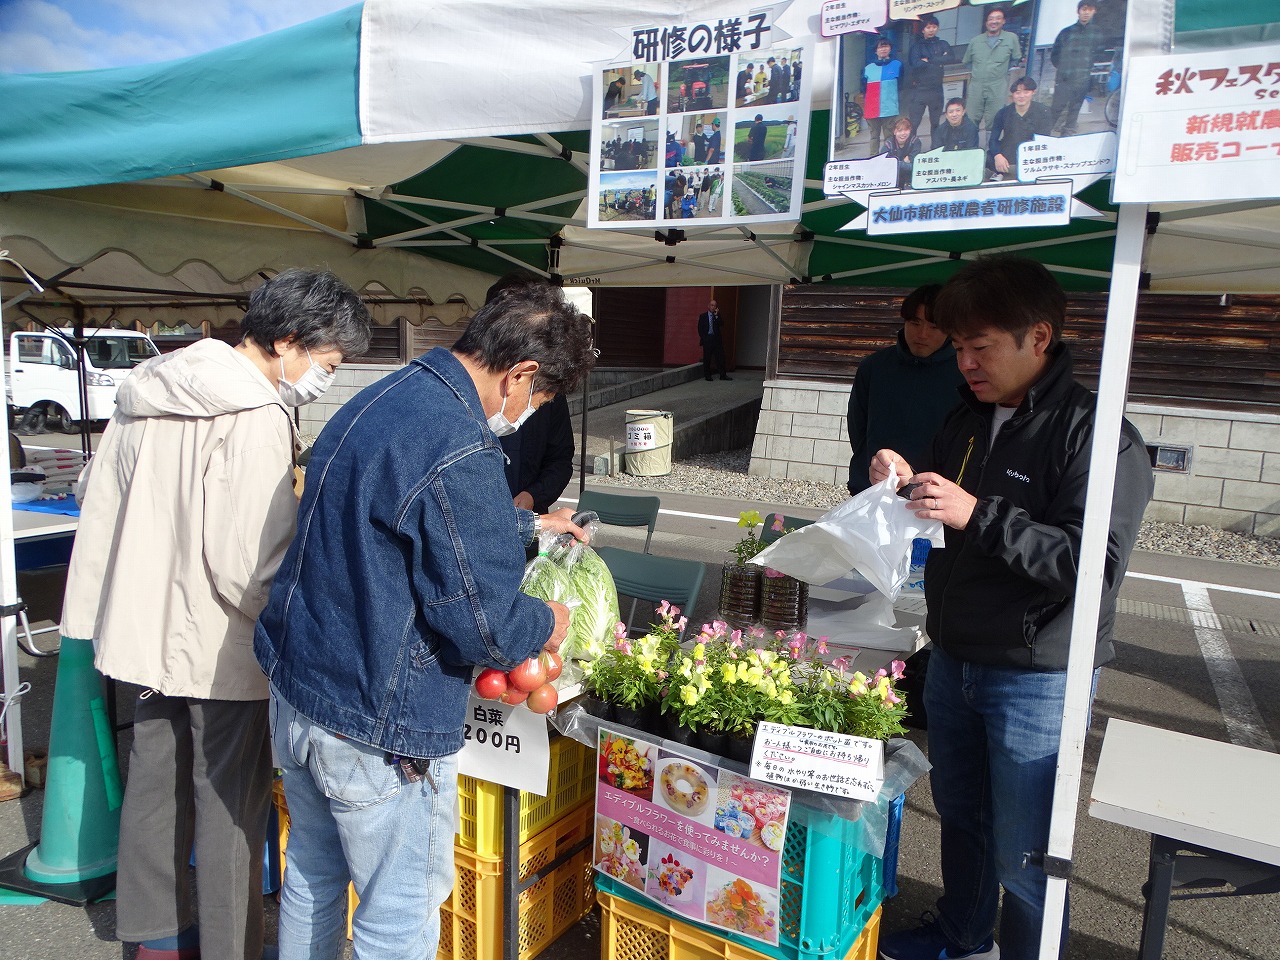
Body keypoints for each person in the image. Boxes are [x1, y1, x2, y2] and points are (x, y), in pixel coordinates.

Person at [255, 281, 595, 960]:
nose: (529, 414)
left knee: (314, 881)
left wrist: (525, 523)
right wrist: (547, 623)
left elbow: (398, 511)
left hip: (300, 689)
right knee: (397, 918)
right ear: (522, 375)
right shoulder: (460, 441)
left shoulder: (386, 394)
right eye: (539, 400)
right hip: (378, 722)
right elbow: (487, 626)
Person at [61, 269, 372, 960]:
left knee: (153, 788)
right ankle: (230, 948)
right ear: (288, 341)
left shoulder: (147, 391)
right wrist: (295, 629)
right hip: (216, 647)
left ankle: (153, 943)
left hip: (137, 634)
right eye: (327, 362)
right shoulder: (255, 415)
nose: (326, 376)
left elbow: (95, 495)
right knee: (229, 804)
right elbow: (249, 563)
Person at [872, 255, 1153, 960]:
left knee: (1028, 853)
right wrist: (903, 479)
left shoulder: (1096, 434)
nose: (964, 362)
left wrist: (978, 514)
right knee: (962, 819)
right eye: (958, 347)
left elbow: (1093, 569)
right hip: (954, 654)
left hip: (1039, 673)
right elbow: (941, 508)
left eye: (980, 347)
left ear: (1039, 337)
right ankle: (963, 936)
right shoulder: (966, 418)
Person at [845, 284, 961, 496]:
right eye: (914, 323)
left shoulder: (964, 373)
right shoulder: (875, 366)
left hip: (933, 495)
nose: (922, 334)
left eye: (934, 327)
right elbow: (858, 428)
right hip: (871, 488)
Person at [488, 274, 576, 516]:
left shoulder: (546, 388)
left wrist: (533, 495)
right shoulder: (456, 399)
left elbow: (560, 459)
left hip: (526, 520)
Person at [962, 6, 1022, 137]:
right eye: (991, 19)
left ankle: (992, 153)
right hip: (976, 85)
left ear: (1003, 21)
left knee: (995, 119)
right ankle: (972, 151)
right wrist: (980, 71)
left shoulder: (1011, 38)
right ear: (986, 22)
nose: (994, 21)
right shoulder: (975, 41)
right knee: (971, 119)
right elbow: (967, 62)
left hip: (997, 85)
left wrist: (1001, 71)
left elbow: (1016, 58)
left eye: (998, 18)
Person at [1050, 1, 1101, 137]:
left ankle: (1066, 138)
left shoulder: (1097, 33)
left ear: (1094, 11)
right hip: (1064, 79)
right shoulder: (1066, 32)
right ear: (1078, 11)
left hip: (1083, 79)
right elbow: (1055, 55)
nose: (1086, 12)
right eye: (1083, 9)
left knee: (1074, 110)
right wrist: (1064, 70)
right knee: (1056, 109)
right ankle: (1043, 136)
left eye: (1089, 9)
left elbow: (1099, 54)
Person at [987, 76, 1053, 179]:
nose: (1021, 96)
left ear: (1033, 92)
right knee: (988, 158)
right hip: (1007, 153)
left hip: (1031, 154)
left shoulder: (1043, 112)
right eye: (1017, 93)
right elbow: (993, 139)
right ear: (1012, 95)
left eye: (1026, 92)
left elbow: (1044, 140)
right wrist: (997, 156)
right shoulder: (1003, 113)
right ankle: (1002, 172)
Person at [905, 14, 952, 141]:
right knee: (914, 123)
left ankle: (935, 148)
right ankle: (911, 149)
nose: (931, 29)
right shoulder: (916, 46)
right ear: (923, 30)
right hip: (919, 90)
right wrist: (938, 60)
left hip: (936, 90)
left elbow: (950, 58)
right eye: (928, 27)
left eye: (934, 27)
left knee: (936, 123)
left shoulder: (943, 44)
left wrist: (929, 59)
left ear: (937, 28)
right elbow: (915, 64)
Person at [862, 37, 902, 155]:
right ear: (875, 50)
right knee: (874, 136)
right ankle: (873, 158)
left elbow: (902, 84)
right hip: (872, 108)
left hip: (889, 107)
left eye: (886, 46)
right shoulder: (867, 68)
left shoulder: (897, 65)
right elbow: (863, 88)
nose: (883, 49)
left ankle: (889, 156)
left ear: (890, 48)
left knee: (889, 136)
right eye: (880, 47)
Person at [881, 116, 923, 189]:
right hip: (893, 177)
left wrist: (895, 163)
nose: (903, 133)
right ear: (894, 132)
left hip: (911, 176)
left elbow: (913, 164)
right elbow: (884, 163)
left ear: (910, 130)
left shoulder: (915, 141)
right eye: (900, 131)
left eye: (906, 130)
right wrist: (903, 162)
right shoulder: (888, 143)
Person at [697, 298, 731, 381]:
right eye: (712, 305)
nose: (713, 307)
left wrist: (716, 315)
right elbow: (700, 328)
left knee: (720, 358)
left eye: (715, 305)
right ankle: (707, 375)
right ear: (708, 306)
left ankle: (723, 375)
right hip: (707, 339)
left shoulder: (717, 316)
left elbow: (721, 324)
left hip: (716, 340)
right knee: (707, 358)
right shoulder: (703, 316)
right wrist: (704, 338)